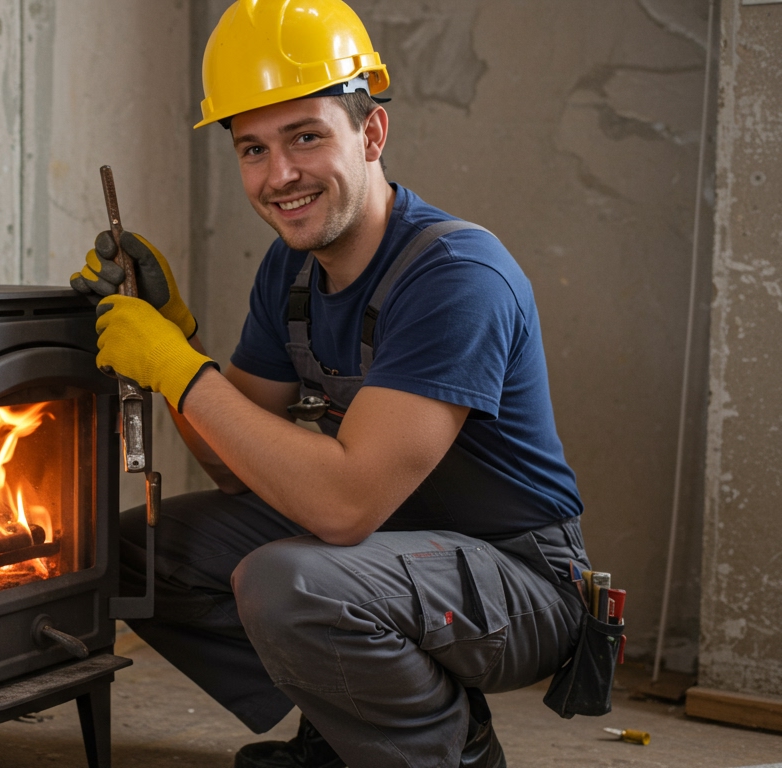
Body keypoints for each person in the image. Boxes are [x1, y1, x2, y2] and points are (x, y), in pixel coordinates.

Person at [70, 1, 592, 766]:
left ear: (372, 132)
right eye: (252, 149)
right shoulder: (292, 271)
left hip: (518, 577)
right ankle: (347, 726)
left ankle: (451, 751)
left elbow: (344, 508)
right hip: (392, 547)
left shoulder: (456, 276)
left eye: (305, 137)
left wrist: (179, 372)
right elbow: (232, 465)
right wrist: (178, 335)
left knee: (293, 582)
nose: (279, 176)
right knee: (128, 551)